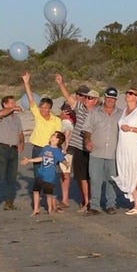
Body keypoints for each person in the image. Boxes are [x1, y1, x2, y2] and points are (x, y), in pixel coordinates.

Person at [52, 75, 95, 212]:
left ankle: (89, 201)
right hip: (74, 145)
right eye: (79, 94)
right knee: (77, 175)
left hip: (89, 146)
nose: (80, 97)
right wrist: (61, 83)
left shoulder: (95, 111)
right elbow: (67, 101)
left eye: (85, 96)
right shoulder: (77, 107)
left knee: (89, 175)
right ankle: (81, 201)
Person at [84, 86, 122, 214]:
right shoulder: (94, 112)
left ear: (116, 99)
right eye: (109, 97)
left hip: (113, 153)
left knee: (112, 180)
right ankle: (94, 206)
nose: (110, 100)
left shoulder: (121, 114)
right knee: (95, 179)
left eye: (113, 98)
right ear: (105, 97)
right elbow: (88, 129)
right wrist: (88, 141)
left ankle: (111, 204)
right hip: (96, 151)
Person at [22, 72, 63, 187]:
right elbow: (31, 100)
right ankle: (38, 198)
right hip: (37, 148)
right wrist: (26, 83)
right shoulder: (38, 115)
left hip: (50, 150)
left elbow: (58, 137)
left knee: (49, 175)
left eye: (46, 107)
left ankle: (50, 200)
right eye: (42, 107)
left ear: (50, 108)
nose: (43, 109)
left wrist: (59, 152)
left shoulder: (56, 120)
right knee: (38, 174)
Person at [113, 87, 137, 215]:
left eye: (131, 93)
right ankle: (136, 205)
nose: (128, 95)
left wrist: (131, 129)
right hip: (123, 146)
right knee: (127, 173)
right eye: (127, 93)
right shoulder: (124, 111)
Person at [0, 95, 25, 211]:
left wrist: (22, 143)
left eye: (14, 102)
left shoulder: (16, 119)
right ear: (5, 104)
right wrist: (13, 108)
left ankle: (9, 203)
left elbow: (20, 132)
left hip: (13, 149)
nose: (14, 104)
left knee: (12, 177)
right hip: (3, 148)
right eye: (11, 103)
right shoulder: (0, 116)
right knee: (1, 176)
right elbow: (1, 113)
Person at [20, 130, 67, 216]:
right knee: (35, 191)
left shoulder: (57, 151)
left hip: (50, 176)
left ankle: (50, 209)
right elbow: (41, 158)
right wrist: (29, 160)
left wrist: (67, 164)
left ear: (57, 140)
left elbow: (63, 160)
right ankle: (36, 209)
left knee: (49, 194)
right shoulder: (45, 148)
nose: (51, 135)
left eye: (54, 135)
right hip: (41, 174)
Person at [57, 102, 75, 209]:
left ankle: (65, 199)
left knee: (65, 174)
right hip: (67, 149)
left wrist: (64, 149)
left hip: (66, 149)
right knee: (64, 174)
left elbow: (67, 136)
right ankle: (65, 198)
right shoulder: (68, 120)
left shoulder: (67, 121)